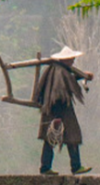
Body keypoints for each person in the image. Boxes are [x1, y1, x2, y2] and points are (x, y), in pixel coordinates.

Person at [32, 45, 93, 175]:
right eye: (71, 59)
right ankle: (67, 167)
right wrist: (58, 117)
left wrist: (82, 75)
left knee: (59, 139)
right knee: (64, 138)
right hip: (58, 112)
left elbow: (69, 80)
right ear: (65, 60)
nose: (72, 61)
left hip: (57, 112)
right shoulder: (59, 72)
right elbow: (58, 94)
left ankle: (50, 167)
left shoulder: (59, 71)